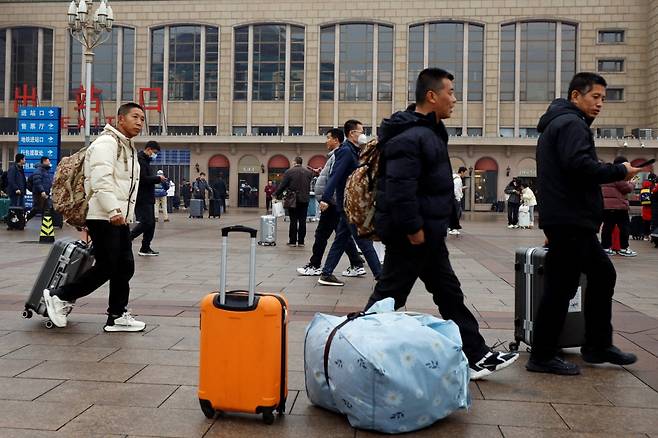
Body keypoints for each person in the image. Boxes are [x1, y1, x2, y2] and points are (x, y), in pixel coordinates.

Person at [364, 68, 518, 380]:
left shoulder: (429, 131)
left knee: (445, 293)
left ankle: (476, 354)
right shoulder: (410, 136)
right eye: (450, 92)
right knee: (391, 296)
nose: (455, 99)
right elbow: (400, 187)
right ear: (432, 96)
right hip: (414, 234)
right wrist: (413, 228)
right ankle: (356, 345)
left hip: (426, 232)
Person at [528, 72, 642, 375]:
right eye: (595, 97)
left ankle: (594, 344)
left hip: (566, 218)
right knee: (571, 283)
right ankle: (549, 353)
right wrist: (619, 170)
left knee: (588, 278)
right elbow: (579, 166)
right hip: (570, 219)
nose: (600, 103)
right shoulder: (570, 124)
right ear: (576, 96)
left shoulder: (560, 123)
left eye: (603, 98)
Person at [42, 102, 147, 332]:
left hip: (117, 217)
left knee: (125, 266)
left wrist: (123, 214)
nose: (140, 122)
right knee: (108, 266)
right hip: (103, 216)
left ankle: (117, 315)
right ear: (120, 119)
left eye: (142, 118)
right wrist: (113, 210)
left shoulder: (127, 146)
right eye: (135, 117)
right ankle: (59, 296)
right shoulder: (106, 143)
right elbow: (101, 180)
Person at [317, 120, 383, 287]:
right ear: (352, 133)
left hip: (349, 202)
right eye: (361, 131)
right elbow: (336, 175)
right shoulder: (346, 151)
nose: (363, 134)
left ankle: (326, 273)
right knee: (364, 239)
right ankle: (380, 277)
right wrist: (325, 198)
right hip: (349, 204)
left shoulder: (354, 150)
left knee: (341, 239)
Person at [296, 128, 366, 277]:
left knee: (322, 234)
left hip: (332, 203)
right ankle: (356, 263)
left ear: (336, 139)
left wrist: (328, 199)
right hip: (334, 202)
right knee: (342, 235)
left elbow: (336, 179)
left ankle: (316, 265)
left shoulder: (339, 155)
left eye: (328, 138)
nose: (326, 141)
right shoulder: (336, 155)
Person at [129, 140, 165, 256]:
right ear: (148, 149)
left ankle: (145, 248)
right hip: (141, 197)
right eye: (154, 152)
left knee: (151, 224)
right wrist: (158, 179)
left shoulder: (146, 161)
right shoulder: (140, 160)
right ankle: (127, 238)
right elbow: (143, 179)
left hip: (148, 197)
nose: (154, 155)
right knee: (146, 222)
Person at [600, 156, 636, 257]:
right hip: (618, 206)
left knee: (607, 227)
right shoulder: (617, 174)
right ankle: (624, 248)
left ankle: (606, 248)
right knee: (624, 227)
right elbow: (626, 188)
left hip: (607, 206)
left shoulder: (606, 173)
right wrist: (632, 184)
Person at [275, 156, 314, 246]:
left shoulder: (289, 172)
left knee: (293, 220)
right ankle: (301, 242)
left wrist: (276, 194)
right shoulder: (308, 173)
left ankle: (292, 241)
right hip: (305, 199)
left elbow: (283, 185)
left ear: (294, 162)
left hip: (293, 199)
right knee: (302, 220)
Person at [26, 156, 53, 222]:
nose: (49, 162)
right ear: (44, 161)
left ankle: (45, 226)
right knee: (36, 209)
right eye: (48, 161)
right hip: (39, 194)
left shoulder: (46, 171)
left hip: (45, 193)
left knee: (46, 208)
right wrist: (42, 191)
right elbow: (37, 182)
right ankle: (24, 219)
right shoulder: (38, 171)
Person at [448, 166, 467, 235]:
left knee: (458, 212)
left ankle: (452, 227)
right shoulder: (458, 180)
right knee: (457, 214)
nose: (465, 175)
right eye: (465, 173)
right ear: (461, 172)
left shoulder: (454, 178)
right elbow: (455, 190)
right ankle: (453, 229)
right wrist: (458, 198)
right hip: (456, 199)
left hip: (453, 198)